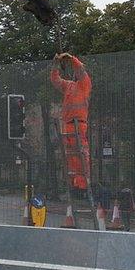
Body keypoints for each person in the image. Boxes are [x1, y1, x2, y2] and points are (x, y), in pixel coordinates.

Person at [50, 52, 92, 196]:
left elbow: (80, 70)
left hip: (78, 125)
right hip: (68, 125)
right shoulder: (69, 86)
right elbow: (55, 80)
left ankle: (83, 185)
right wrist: (55, 64)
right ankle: (74, 184)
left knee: (81, 154)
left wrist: (71, 59)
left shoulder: (85, 84)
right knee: (70, 157)